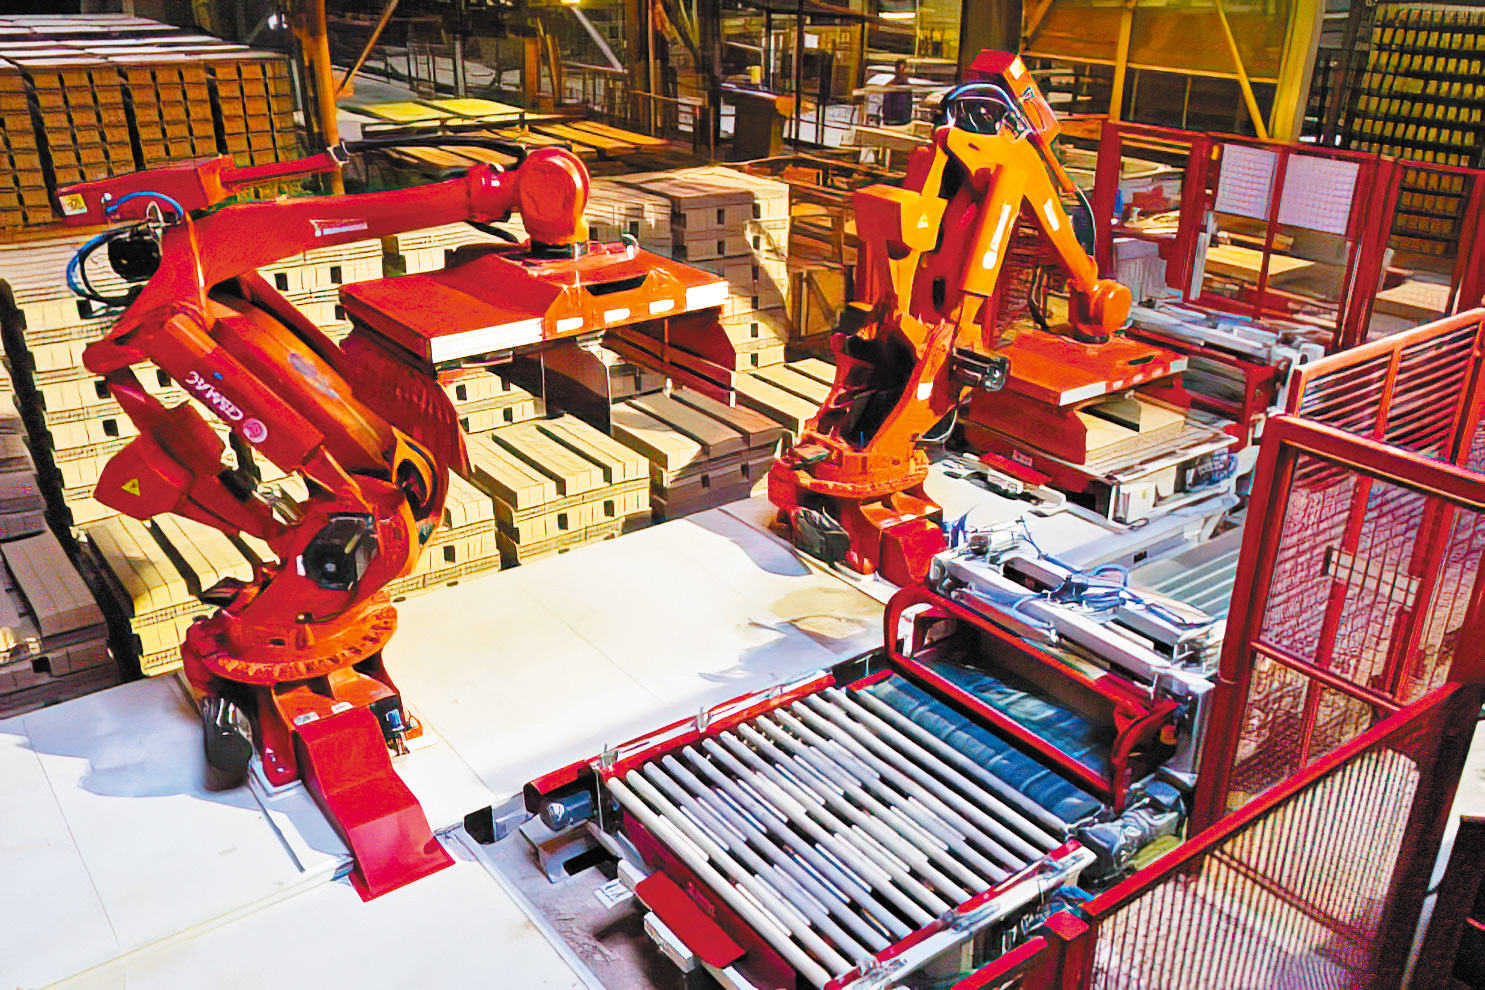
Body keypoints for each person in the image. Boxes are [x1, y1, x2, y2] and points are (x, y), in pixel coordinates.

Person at [882, 59, 914, 126]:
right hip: (891, 123)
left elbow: (909, 105)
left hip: (905, 123)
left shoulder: (907, 87)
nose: (904, 73)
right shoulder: (891, 86)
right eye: (902, 69)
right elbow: (886, 106)